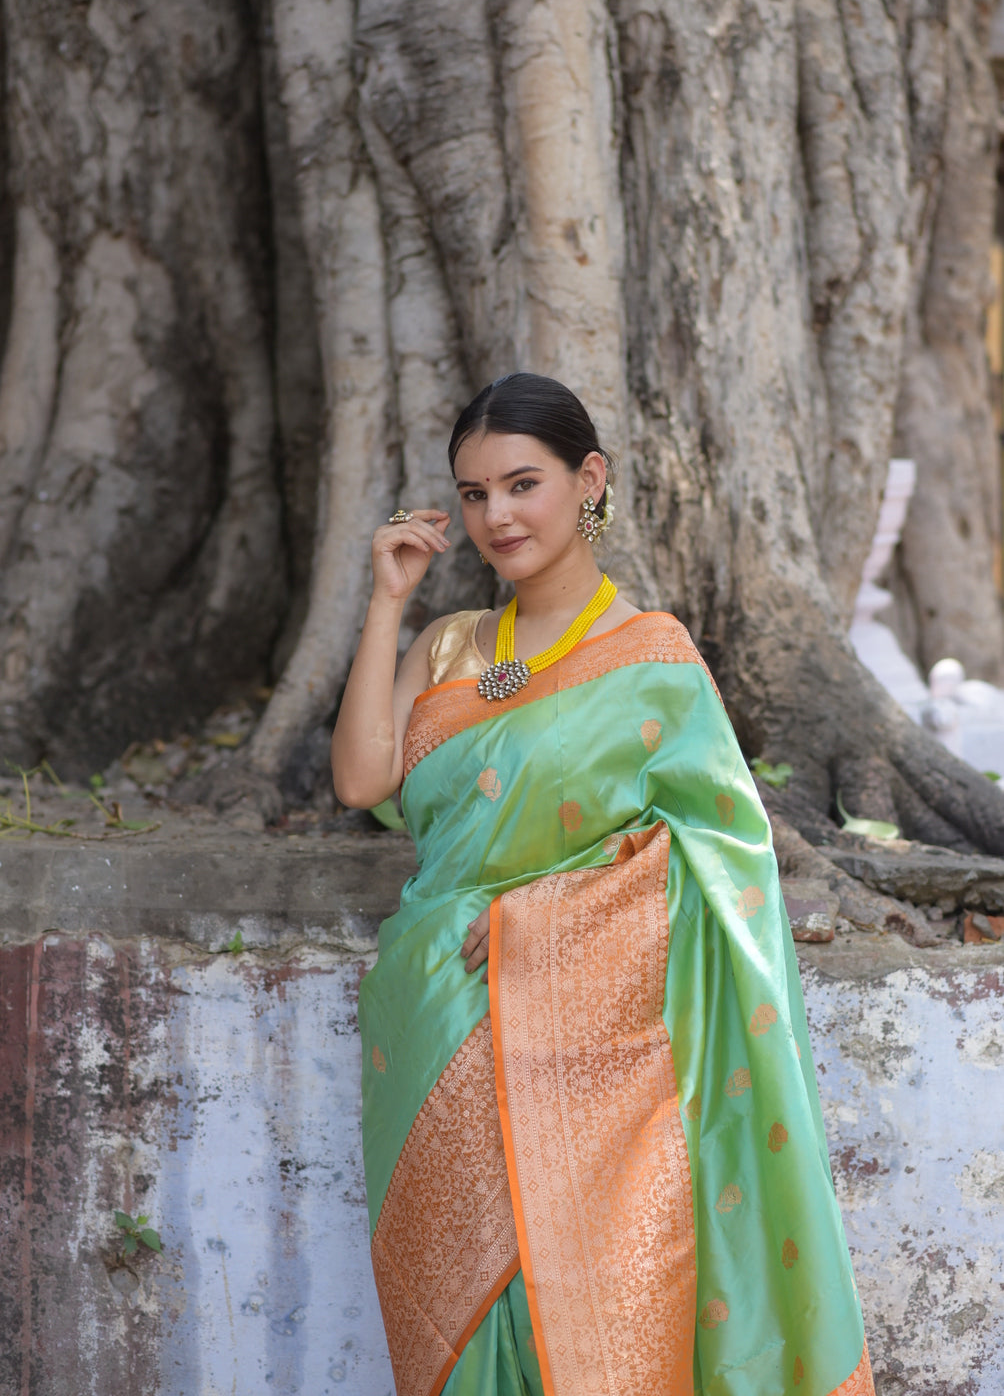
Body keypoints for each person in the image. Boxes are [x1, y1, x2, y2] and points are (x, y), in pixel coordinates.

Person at [331, 373, 874, 1396]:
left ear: (589, 481)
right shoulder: (448, 644)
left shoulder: (652, 660)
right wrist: (384, 601)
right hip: (430, 1014)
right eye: (475, 491)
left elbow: (719, 855)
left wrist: (547, 919)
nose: (496, 515)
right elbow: (363, 779)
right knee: (451, 1318)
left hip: (582, 1040)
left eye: (521, 484)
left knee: (567, 1303)